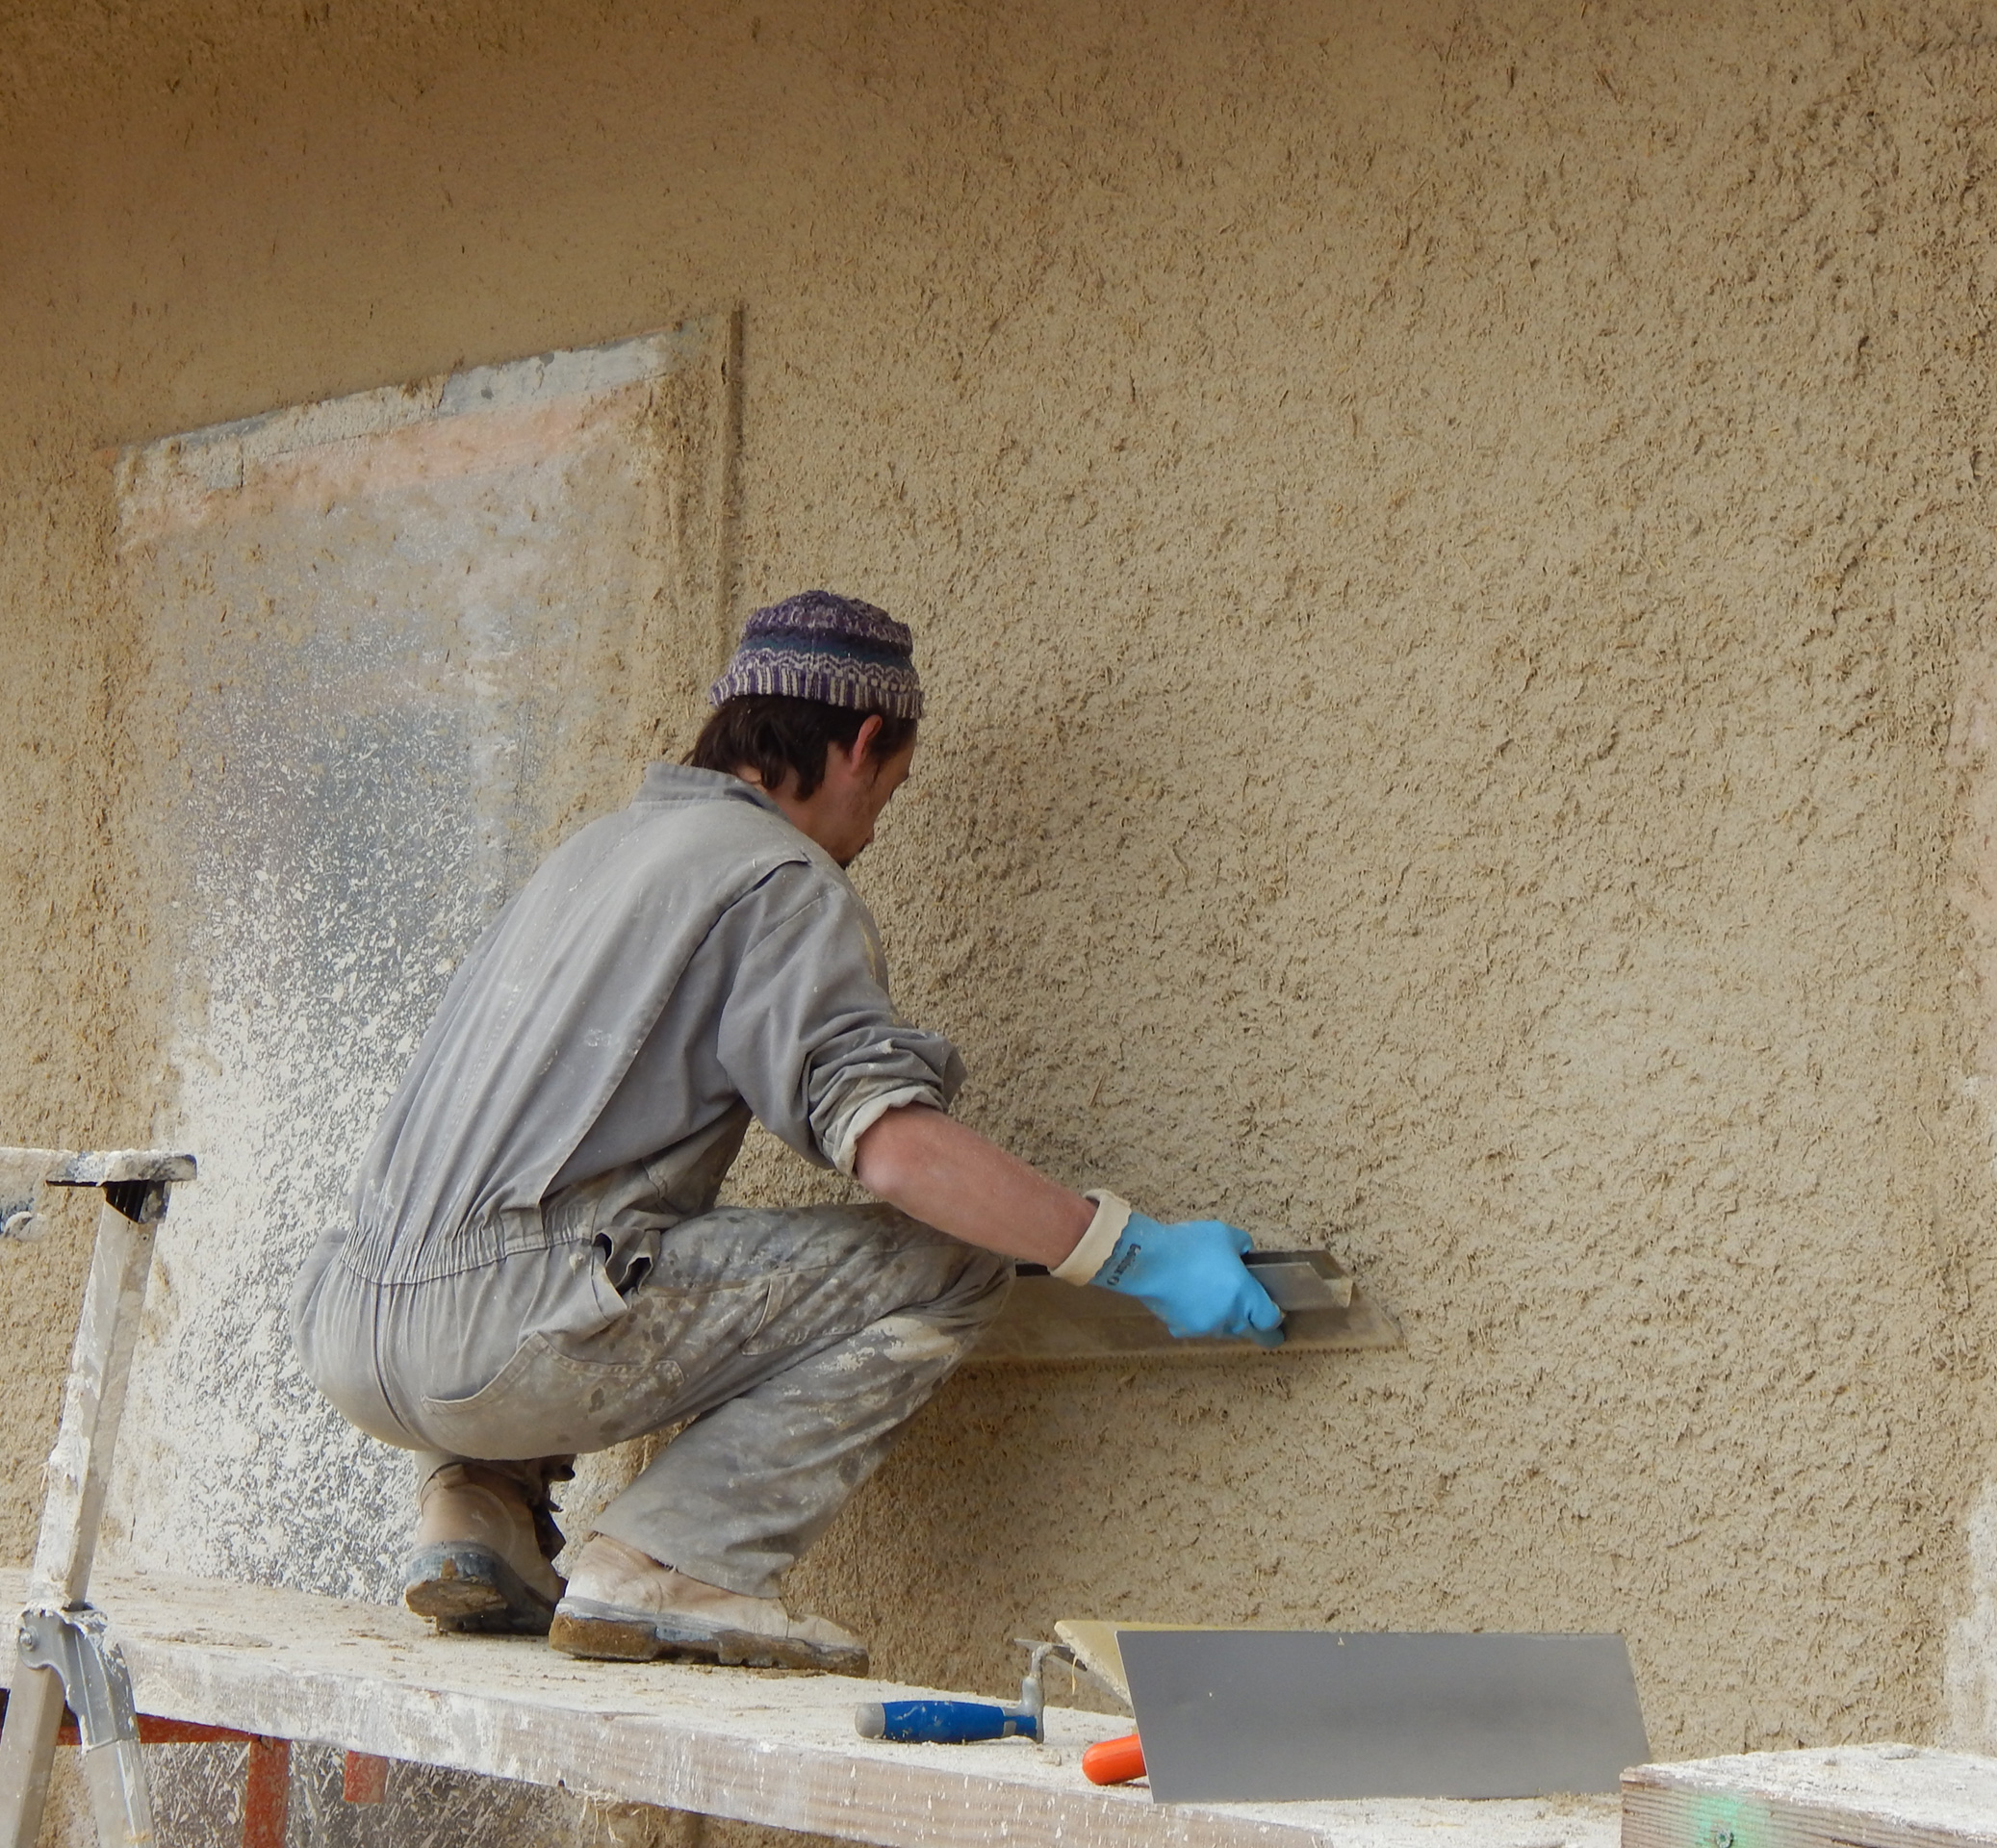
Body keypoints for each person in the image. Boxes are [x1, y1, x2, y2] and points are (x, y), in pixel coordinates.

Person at [291, 591, 1282, 1674]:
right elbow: (895, 1151)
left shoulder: (594, 854)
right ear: (863, 743)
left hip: (349, 1328)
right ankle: (669, 1565)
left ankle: (476, 1518)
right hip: (496, 1341)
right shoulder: (775, 876)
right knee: (950, 1259)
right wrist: (1130, 1251)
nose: (873, 831)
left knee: (566, 1223)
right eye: (889, 793)